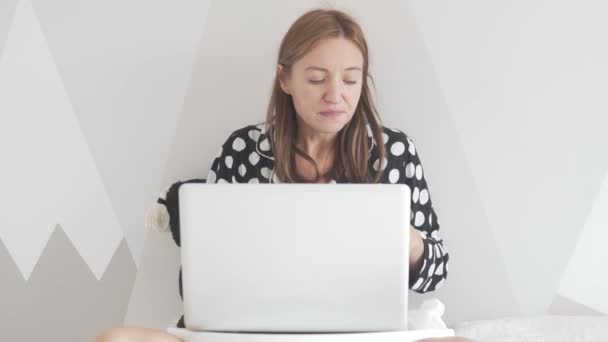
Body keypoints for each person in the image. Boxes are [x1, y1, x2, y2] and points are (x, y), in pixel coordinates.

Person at [95, 8, 471, 342]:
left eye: (351, 80)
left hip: (362, 334)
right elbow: (196, 280)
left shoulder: (394, 153)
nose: (335, 95)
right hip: (250, 332)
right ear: (285, 79)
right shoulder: (245, 149)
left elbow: (435, 274)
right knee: (113, 338)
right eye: (317, 78)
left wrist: (410, 243)